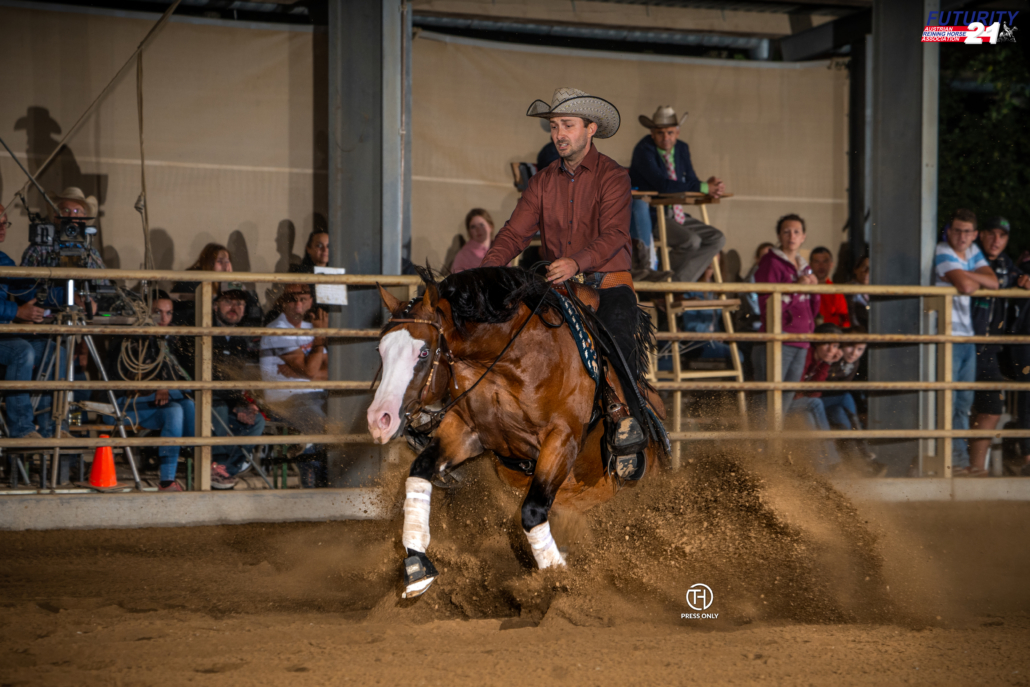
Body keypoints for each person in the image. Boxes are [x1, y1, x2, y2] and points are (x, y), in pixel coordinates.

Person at [480, 86, 648, 456]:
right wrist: (484, 273)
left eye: (567, 125)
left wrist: (576, 261)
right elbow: (514, 234)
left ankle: (628, 428)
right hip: (560, 288)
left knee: (620, 345)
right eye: (555, 126)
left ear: (590, 128)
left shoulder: (613, 176)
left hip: (608, 286)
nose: (559, 134)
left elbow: (616, 233)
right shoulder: (541, 182)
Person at [107, 292, 209, 491]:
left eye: (169, 313)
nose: (164, 319)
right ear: (146, 313)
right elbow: (127, 376)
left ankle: (171, 478)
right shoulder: (131, 339)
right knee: (184, 402)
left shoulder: (172, 340)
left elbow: (182, 374)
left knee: (185, 405)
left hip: (158, 405)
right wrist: (158, 385)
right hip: (124, 406)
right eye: (157, 312)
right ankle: (203, 460)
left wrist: (166, 386)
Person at [176, 283, 266, 479]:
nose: (234, 307)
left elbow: (233, 381)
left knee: (257, 421)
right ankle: (214, 464)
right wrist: (234, 404)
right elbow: (201, 377)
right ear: (215, 305)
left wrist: (242, 404)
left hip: (222, 400)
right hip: (199, 399)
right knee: (219, 406)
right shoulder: (201, 332)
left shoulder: (239, 341)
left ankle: (227, 469)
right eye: (228, 301)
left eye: (240, 303)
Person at [628, 106, 726, 284]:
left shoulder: (681, 148)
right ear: (652, 133)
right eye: (660, 133)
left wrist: (708, 185)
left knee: (717, 238)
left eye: (670, 133)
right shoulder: (644, 149)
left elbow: (691, 180)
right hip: (652, 215)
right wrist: (703, 187)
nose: (666, 138)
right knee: (691, 241)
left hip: (676, 213)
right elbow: (663, 185)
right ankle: (658, 278)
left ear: (678, 133)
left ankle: (676, 284)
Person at [934, 208, 999, 472]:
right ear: (949, 231)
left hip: (964, 337)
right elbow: (967, 287)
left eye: (967, 232)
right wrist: (972, 277)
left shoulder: (968, 252)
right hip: (946, 336)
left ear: (974, 235)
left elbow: (993, 283)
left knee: (962, 404)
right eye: (957, 230)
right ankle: (952, 461)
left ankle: (959, 462)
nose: (962, 236)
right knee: (949, 403)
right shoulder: (942, 250)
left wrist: (966, 274)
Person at [967, 217, 1023, 475]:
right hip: (963, 344)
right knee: (956, 402)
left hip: (990, 350)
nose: (997, 240)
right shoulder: (970, 258)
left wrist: (1025, 280)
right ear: (981, 235)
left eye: (1002, 235)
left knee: (991, 407)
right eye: (992, 234)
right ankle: (956, 463)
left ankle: (976, 470)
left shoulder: (1007, 267)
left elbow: (1018, 277)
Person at [260, 283, 329, 488]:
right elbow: (310, 371)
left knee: (342, 418)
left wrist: (309, 373)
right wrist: (319, 340)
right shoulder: (277, 330)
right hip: (286, 400)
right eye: (292, 298)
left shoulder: (312, 327)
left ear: (311, 302)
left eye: (303, 298)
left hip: (316, 395)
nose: (298, 303)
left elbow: (328, 371)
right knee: (324, 425)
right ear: (282, 302)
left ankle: (325, 479)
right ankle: (317, 486)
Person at [752, 214, 820, 413]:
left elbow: (812, 308)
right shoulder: (771, 263)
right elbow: (767, 305)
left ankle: (775, 442)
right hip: (778, 338)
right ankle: (758, 445)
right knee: (768, 401)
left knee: (786, 400)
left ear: (803, 237)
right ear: (779, 236)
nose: (792, 236)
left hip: (801, 338)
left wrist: (814, 290)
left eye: (796, 232)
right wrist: (795, 288)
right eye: (786, 231)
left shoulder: (804, 267)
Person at [0, 203, 46, 439]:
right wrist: (16, 312)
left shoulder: (3, 259)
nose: (1, 229)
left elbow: (27, 288)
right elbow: (19, 303)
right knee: (22, 351)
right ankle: (21, 429)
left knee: (51, 350)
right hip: (5, 339)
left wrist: (65, 298)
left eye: (4, 223)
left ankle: (52, 428)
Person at [821, 331, 885, 475]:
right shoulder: (831, 357)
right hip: (817, 400)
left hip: (833, 403)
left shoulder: (853, 362)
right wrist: (830, 363)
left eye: (860, 349)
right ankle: (862, 456)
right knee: (846, 398)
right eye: (850, 347)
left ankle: (856, 462)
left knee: (841, 415)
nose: (854, 353)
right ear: (841, 344)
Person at [788, 322, 843, 471]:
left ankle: (821, 469)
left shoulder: (818, 360)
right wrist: (804, 395)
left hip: (796, 404)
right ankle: (832, 459)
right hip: (783, 403)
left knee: (808, 419)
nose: (831, 350)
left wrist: (827, 363)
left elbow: (815, 392)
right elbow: (798, 393)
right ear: (817, 341)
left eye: (836, 346)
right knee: (816, 404)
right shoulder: (805, 355)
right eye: (827, 344)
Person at [172, 243, 262, 326]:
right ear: (208, 264)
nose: (226, 266)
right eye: (220, 261)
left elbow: (255, 314)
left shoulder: (234, 285)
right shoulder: (191, 283)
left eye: (227, 261)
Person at [809, 246, 851, 328]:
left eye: (825, 261)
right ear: (810, 264)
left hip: (833, 336)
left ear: (831, 264)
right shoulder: (804, 288)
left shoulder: (836, 291)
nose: (821, 266)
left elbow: (845, 321)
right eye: (817, 262)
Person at [451, 209, 493, 273]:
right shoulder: (463, 255)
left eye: (481, 225)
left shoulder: (501, 249)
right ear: (469, 232)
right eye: (473, 227)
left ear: (490, 227)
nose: (478, 230)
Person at [848, 254, 870, 330]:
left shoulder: (873, 289)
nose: (867, 271)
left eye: (871, 268)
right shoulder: (849, 289)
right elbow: (852, 315)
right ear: (856, 269)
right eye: (864, 267)